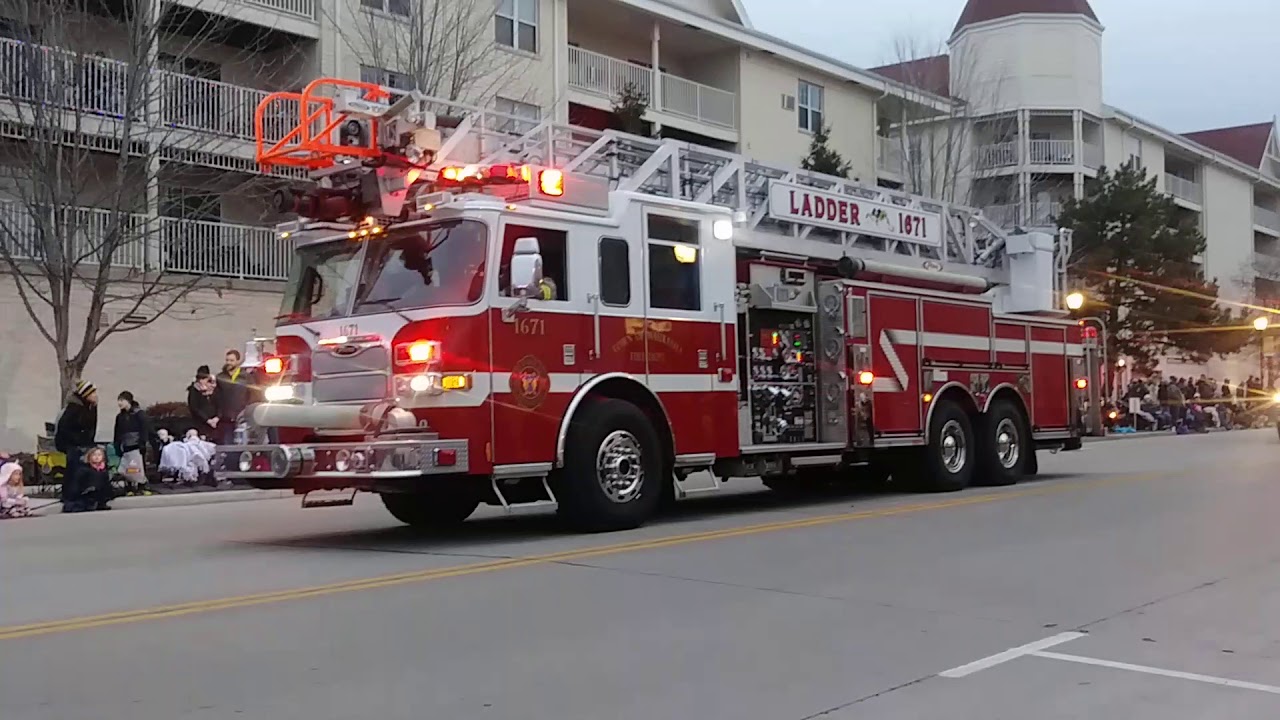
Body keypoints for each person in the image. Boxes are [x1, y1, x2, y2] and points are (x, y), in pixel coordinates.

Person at [55, 380, 99, 510]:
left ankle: (85, 496)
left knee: (85, 471)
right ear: (86, 394)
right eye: (93, 392)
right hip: (72, 445)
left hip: (85, 444)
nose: (96, 395)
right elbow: (64, 429)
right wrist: (78, 440)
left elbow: (91, 427)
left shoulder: (90, 407)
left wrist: (94, 408)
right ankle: (69, 497)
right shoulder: (74, 408)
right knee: (73, 470)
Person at [113, 391, 153, 496]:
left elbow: (144, 429)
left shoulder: (139, 414)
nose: (119, 403)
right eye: (119, 400)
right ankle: (130, 486)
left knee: (139, 466)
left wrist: (143, 443)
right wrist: (117, 445)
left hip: (137, 445)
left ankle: (142, 485)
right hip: (126, 445)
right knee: (128, 467)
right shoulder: (120, 417)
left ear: (128, 401)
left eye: (122, 400)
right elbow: (117, 433)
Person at [215, 349, 253, 445]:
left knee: (243, 442)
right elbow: (217, 397)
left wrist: (248, 410)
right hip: (226, 418)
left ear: (238, 361)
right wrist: (219, 414)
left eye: (231, 360)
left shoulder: (246, 377)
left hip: (242, 416)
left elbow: (252, 394)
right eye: (227, 360)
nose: (229, 363)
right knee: (227, 444)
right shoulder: (220, 377)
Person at [69, 446, 113, 512]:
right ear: (89, 456)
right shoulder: (83, 469)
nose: (97, 457)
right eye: (94, 455)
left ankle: (101, 502)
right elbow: (76, 484)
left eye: (99, 455)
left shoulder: (104, 469)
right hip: (85, 492)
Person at [187, 367, 219, 439]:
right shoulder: (194, 390)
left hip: (216, 423)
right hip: (201, 423)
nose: (202, 381)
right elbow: (194, 407)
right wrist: (207, 420)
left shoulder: (215, 389)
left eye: (204, 378)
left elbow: (220, 404)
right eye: (200, 379)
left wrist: (217, 417)